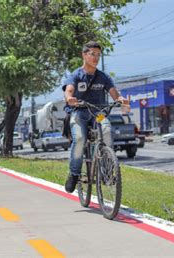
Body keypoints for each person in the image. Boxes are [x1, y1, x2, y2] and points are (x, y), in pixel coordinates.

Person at [62, 41, 128, 193]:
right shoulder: (76, 75)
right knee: (79, 139)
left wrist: (120, 99)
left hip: (98, 113)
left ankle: (107, 170)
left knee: (106, 130)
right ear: (84, 55)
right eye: (92, 54)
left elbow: (114, 93)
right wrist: (69, 98)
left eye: (98, 55)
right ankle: (74, 174)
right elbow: (69, 90)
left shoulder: (103, 77)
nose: (96, 58)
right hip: (79, 112)